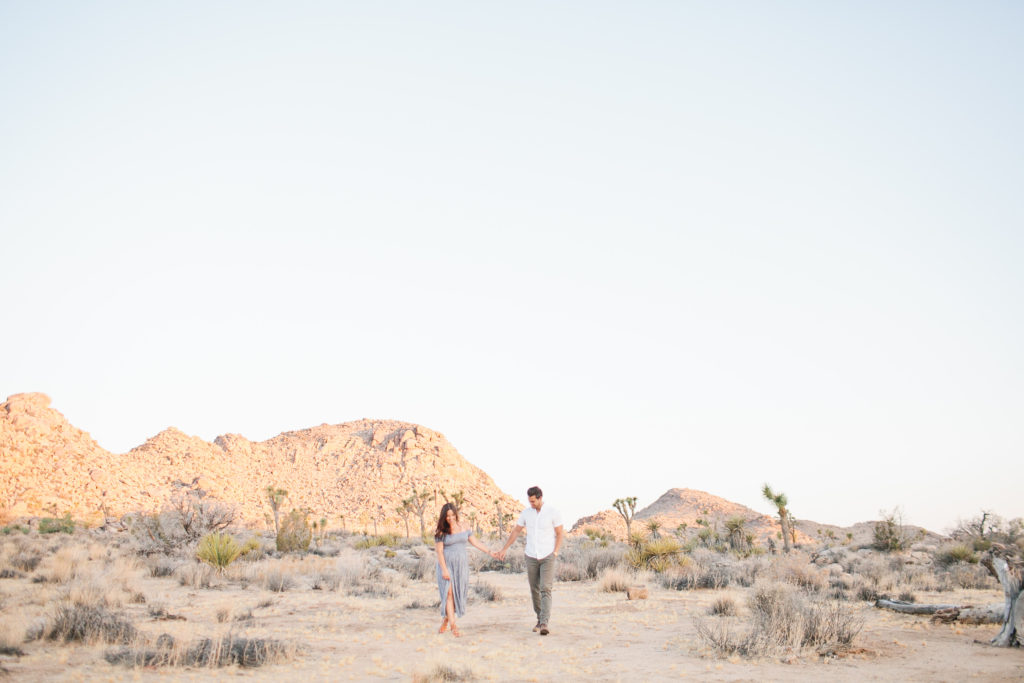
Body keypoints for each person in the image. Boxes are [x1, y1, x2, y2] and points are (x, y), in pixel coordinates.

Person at [497, 486, 565, 636]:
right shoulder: (526, 513)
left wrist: (555, 552)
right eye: (529, 501)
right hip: (531, 555)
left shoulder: (553, 512)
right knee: (534, 589)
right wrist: (504, 549)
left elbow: (559, 533)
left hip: (547, 555)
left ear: (540, 498)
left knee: (545, 588)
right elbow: (516, 531)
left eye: (533, 501)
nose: (531, 504)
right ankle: (539, 619)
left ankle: (545, 622)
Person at [434, 502, 497, 637]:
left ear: (456, 514)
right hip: (446, 565)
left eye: (452, 515)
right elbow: (439, 552)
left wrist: (490, 552)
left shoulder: (465, 527)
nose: (450, 518)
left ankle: (446, 619)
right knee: (449, 594)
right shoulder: (441, 532)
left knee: (458, 594)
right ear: (443, 517)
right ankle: (453, 626)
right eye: (447, 516)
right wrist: (444, 570)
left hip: (461, 566)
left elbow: (475, 542)